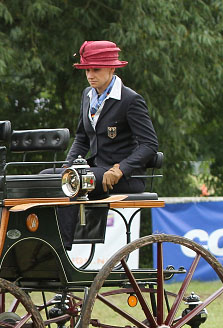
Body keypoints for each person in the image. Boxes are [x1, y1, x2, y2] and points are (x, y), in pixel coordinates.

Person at [48, 40, 158, 249]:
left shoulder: (130, 100)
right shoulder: (87, 96)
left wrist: (121, 169)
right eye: (86, 70)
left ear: (112, 68)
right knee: (45, 178)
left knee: (74, 182)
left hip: (124, 178)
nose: (90, 75)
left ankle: (60, 249)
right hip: (94, 171)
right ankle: (42, 241)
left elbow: (149, 145)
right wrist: (68, 164)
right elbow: (82, 137)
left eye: (95, 69)